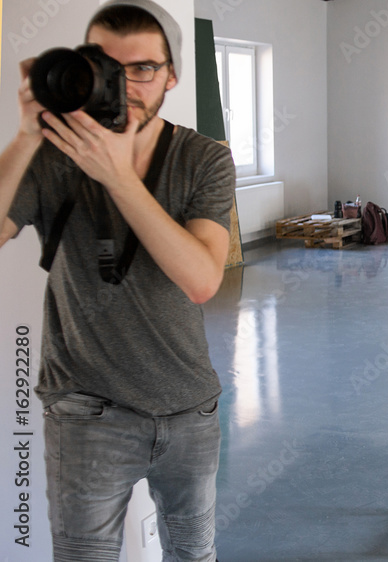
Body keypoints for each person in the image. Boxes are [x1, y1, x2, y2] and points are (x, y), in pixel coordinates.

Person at [0, 1, 235, 560]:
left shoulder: (203, 159)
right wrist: (26, 137)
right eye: (105, 65)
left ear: (172, 75)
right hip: (86, 411)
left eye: (143, 69)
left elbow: (202, 280)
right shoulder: (54, 155)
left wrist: (117, 176)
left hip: (188, 407)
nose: (124, 84)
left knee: (193, 553)